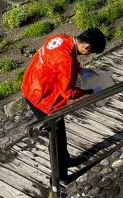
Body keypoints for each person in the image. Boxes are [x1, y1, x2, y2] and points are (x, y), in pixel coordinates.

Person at [21, 28, 107, 182]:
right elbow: (68, 93)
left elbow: (55, 62)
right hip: (44, 99)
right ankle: (58, 177)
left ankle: (65, 161)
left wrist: (80, 70)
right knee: (56, 140)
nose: (89, 55)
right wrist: (90, 91)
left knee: (60, 135)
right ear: (86, 47)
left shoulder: (60, 38)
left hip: (31, 85)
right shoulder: (66, 60)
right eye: (91, 52)